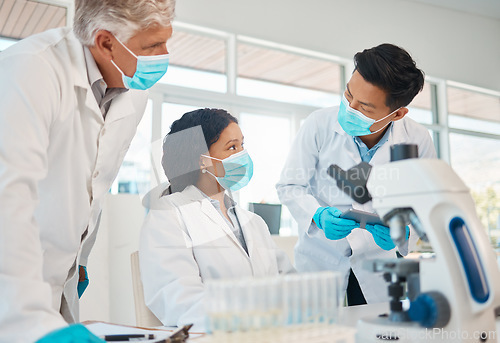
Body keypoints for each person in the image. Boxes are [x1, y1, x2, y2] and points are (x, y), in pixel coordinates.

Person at [0, 0, 175, 341]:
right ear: (106, 42)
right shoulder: (30, 71)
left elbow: (97, 179)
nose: (164, 55)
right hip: (11, 279)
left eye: (166, 42)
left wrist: (81, 255)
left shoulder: (133, 91)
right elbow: (7, 198)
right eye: (153, 46)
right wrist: (30, 322)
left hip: (59, 273)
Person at [276, 43, 437, 306]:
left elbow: (426, 203)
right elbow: (289, 185)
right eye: (348, 95)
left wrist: (407, 233)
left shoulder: (417, 140)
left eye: (364, 107)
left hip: (380, 265)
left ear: (397, 114)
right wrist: (317, 215)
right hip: (321, 260)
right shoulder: (318, 124)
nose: (349, 108)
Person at [139, 108, 295, 331]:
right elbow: (180, 300)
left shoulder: (253, 222)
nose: (242, 155)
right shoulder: (168, 215)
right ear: (204, 161)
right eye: (232, 147)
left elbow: (289, 284)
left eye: (242, 145)